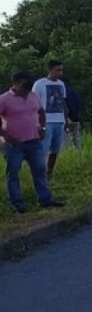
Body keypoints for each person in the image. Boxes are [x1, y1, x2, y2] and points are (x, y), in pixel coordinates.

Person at [0, 71, 64, 213]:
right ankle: (16, 204)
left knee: (40, 171)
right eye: (24, 82)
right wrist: (4, 134)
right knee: (13, 174)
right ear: (15, 83)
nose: (28, 84)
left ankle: (45, 199)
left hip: (34, 141)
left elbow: (41, 111)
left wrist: (42, 127)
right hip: (14, 144)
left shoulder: (32, 96)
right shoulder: (4, 99)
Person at [32, 60, 67, 181]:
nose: (60, 72)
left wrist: (66, 119)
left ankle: (49, 171)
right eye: (57, 70)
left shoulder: (61, 84)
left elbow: (63, 102)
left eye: (61, 70)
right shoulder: (39, 84)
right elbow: (34, 104)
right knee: (43, 149)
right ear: (50, 70)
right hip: (46, 121)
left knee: (55, 149)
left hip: (59, 120)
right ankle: (39, 174)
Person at [64, 80, 83, 151]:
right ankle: (78, 156)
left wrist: (68, 118)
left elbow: (66, 106)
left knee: (66, 141)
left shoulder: (64, 92)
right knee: (76, 139)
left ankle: (66, 156)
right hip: (76, 118)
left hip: (67, 118)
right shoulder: (74, 92)